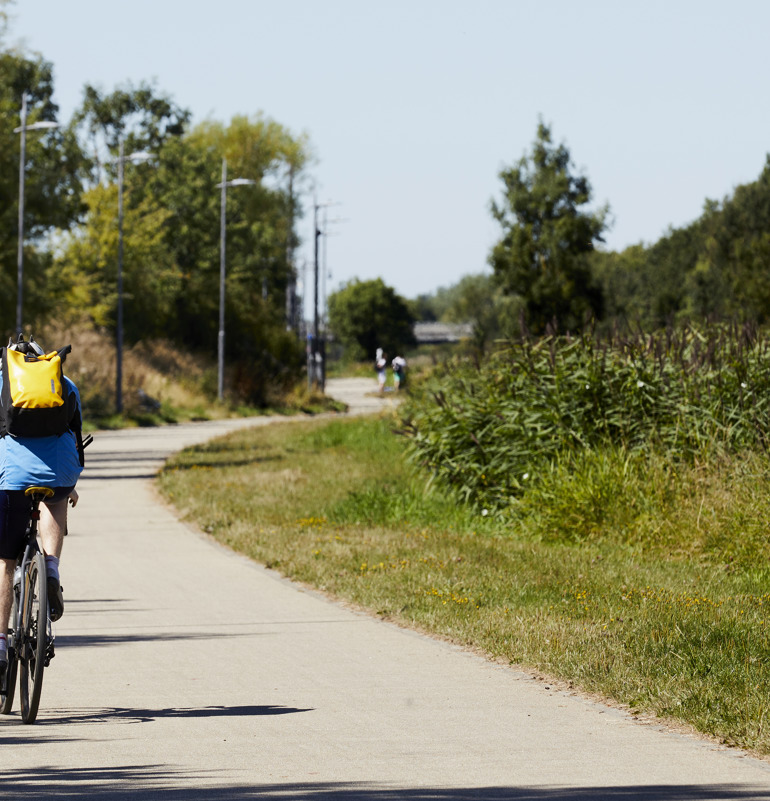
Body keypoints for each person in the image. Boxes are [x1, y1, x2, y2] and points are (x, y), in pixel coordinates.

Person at [0, 336, 84, 680]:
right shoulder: (64, 384)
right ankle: (50, 567)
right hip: (60, 471)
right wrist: (71, 484)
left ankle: (1, 643)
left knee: (5, 563)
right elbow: (75, 435)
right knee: (56, 500)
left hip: (11, 478)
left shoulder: (2, 384)